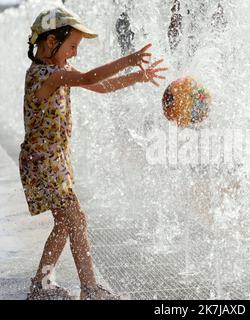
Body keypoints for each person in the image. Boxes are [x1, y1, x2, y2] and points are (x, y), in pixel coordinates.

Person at [19, 6, 167, 300]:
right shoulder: (44, 75)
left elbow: (100, 86)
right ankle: (87, 287)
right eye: (72, 46)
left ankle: (43, 283)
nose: (74, 53)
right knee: (75, 219)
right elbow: (89, 78)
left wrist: (136, 77)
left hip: (52, 161)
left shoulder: (58, 71)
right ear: (51, 43)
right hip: (43, 163)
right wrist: (130, 59)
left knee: (67, 221)